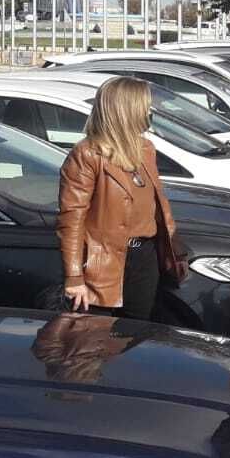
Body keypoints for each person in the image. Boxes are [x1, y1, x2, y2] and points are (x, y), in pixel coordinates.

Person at [57, 76, 185, 320]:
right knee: (96, 336)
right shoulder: (87, 154)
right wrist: (74, 277)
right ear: (127, 110)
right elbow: (71, 220)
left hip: (143, 255)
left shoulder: (145, 149)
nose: (150, 112)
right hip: (102, 259)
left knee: (136, 332)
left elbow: (159, 205)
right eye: (145, 107)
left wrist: (176, 251)